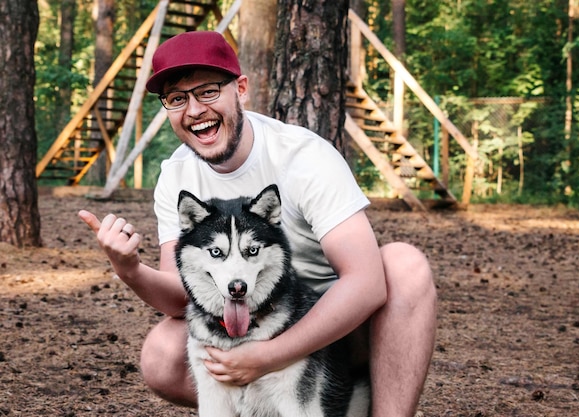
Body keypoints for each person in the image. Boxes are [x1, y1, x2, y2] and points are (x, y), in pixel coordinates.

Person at [79, 31, 437, 417]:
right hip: (243, 319)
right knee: (163, 352)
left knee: (405, 266)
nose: (194, 109)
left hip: (335, 325)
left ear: (242, 89)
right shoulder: (176, 176)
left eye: (208, 91)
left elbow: (366, 284)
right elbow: (180, 297)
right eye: (177, 98)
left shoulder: (303, 157)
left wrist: (268, 356)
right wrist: (129, 268)